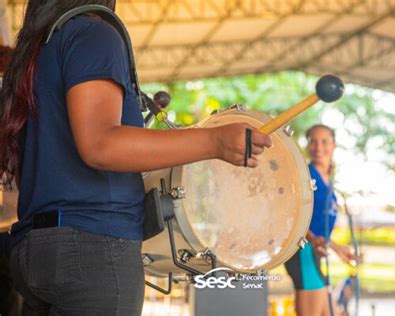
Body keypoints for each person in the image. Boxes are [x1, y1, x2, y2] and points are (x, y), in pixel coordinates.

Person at [0, 1, 272, 315]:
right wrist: (215, 140)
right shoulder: (93, 33)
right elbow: (100, 144)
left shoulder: (38, 51)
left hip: (37, 250)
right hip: (91, 249)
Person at [284, 124, 354, 316]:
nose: (318, 146)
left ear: (334, 145)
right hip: (302, 252)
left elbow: (318, 229)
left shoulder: (327, 180)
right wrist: (314, 240)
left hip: (313, 254)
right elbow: (293, 217)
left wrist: (338, 248)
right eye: (313, 141)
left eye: (324, 141)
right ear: (307, 146)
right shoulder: (305, 176)